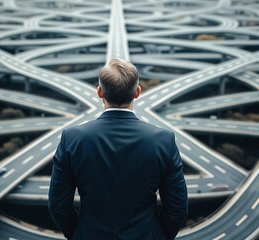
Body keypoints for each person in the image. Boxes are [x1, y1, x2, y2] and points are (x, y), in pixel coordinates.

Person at [48, 59, 188, 240]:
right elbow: (177, 208)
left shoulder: (72, 139)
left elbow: (58, 206)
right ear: (137, 92)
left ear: (100, 92)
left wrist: (79, 234)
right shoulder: (163, 141)